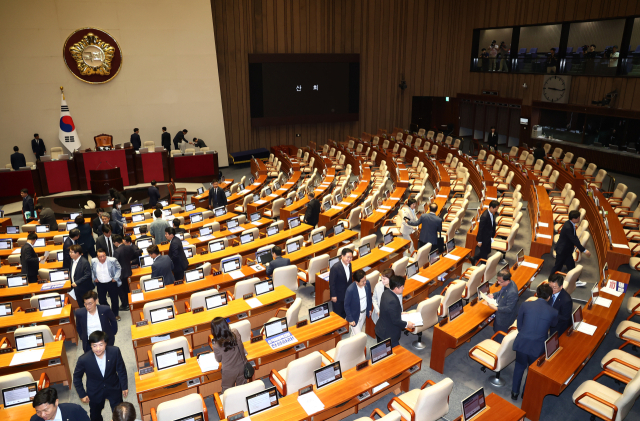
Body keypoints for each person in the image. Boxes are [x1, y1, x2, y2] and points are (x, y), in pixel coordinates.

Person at [511, 283, 558, 400]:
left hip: (522, 342)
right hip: (538, 346)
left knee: (519, 366)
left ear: (536, 294)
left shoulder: (525, 305)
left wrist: (525, 334)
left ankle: (514, 393)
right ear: (549, 297)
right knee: (531, 370)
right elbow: (554, 324)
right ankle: (524, 394)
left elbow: (519, 324)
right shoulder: (553, 312)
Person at [73, 331, 128, 421]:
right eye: (94, 345)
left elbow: (121, 370)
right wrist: (82, 394)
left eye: (101, 345)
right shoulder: (84, 359)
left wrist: (124, 386)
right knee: (95, 415)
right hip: (95, 391)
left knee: (119, 413)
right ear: (90, 345)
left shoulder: (115, 351)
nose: (98, 348)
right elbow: (76, 377)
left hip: (114, 387)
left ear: (106, 343)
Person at [375, 275, 415, 347]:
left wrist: (400, 313)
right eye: (402, 287)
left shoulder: (386, 292)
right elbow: (396, 321)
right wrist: (407, 324)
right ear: (396, 288)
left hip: (381, 328)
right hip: (387, 334)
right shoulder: (392, 301)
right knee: (388, 355)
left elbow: (388, 310)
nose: (403, 288)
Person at [211, 317, 247, 392]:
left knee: (227, 392)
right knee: (243, 389)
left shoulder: (216, 344)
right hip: (242, 366)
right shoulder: (235, 332)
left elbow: (218, 359)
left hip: (229, 371)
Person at [483, 268, 518, 343]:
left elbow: (509, 309)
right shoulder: (507, 284)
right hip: (500, 311)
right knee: (496, 328)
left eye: (500, 281)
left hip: (504, 318)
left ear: (507, 281)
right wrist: (493, 295)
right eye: (497, 280)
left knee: (500, 336)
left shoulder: (512, 292)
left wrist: (495, 308)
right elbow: (501, 293)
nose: (498, 283)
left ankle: (498, 347)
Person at [550, 210, 591, 275]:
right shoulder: (568, 227)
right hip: (562, 251)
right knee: (557, 267)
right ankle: (550, 280)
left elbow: (575, 236)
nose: (579, 219)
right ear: (574, 219)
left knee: (571, 266)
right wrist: (584, 250)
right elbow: (574, 240)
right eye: (578, 217)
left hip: (567, 250)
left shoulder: (570, 223)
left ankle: (576, 280)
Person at [91, 248, 122, 320]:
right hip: (100, 284)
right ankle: (107, 311)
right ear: (97, 257)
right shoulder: (93, 261)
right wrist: (94, 278)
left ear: (106, 255)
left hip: (111, 282)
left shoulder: (112, 260)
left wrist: (116, 278)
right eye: (100, 257)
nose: (102, 258)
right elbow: (92, 270)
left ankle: (115, 314)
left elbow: (119, 268)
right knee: (102, 300)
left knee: (114, 299)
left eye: (104, 256)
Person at [112, 235, 139, 311]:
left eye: (114, 243)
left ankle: (125, 305)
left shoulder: (117, 251)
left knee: (121, 290)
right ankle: (129, 302)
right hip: (128, 270)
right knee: (127, 288)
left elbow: (115, 263)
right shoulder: (128, 247)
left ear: (116, 242)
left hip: (121, 273)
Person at [344, 269, 372, 336]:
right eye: (363, 281)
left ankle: (349, 345)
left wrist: (369, 309)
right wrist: (350, 319)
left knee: (354, 334)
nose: (365, 282)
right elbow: (346, 305)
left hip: (363, 312)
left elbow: (369, 297)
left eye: (365, 280)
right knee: (358, 336)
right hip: (354, 315)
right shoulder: (350, 290)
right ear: (356, 281)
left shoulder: (367, 284)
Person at [471, 200, 498, 265]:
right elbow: (480, 229)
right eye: (496, 209)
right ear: (491, 207)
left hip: (488, 236)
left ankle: (474, 258)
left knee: (487, 250)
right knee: (484, 255)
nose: (496, 210)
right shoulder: (484, 216)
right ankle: (484, 266)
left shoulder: (491, 213)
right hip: (484, 238)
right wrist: (480, 241)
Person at [329, 248, 353, 318]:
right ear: (342, 256)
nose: (349, 259)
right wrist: (333, 295)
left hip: (346, 293)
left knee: (345, 310)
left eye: (351, 257)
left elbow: (349, 279)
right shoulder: (335, 268)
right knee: (338, 314)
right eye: (348, 257)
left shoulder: (349, 265)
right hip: (338, 295)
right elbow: (332, 283)